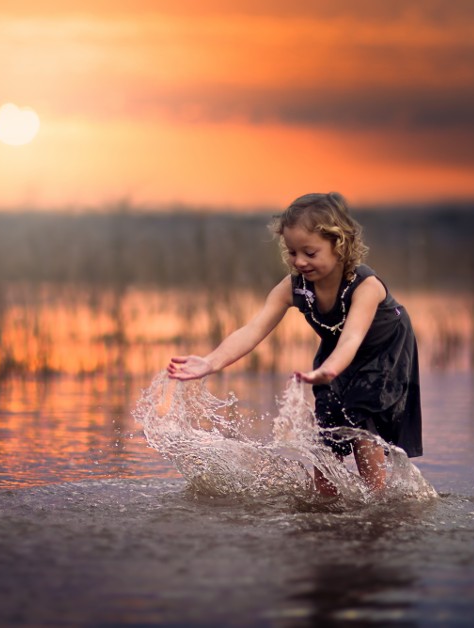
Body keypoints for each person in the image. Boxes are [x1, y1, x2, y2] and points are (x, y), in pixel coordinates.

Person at [167, 192, 422, 494]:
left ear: (340, 246)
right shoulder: (294, 288)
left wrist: (330, 370)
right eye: (292, 252)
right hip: (336, 349)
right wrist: (211, 362)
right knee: (326, 422)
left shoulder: (366, 287)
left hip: (383, 350)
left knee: (360, 414)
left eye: (310, 253)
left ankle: (378, 501)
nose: (300, 261)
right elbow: (253, 328)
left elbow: (353, 337)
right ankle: (325, 499)